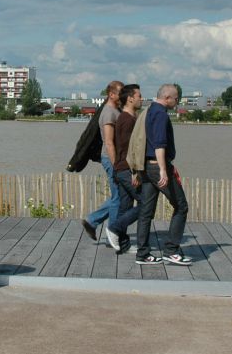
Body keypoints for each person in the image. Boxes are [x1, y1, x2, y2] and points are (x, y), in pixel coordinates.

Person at [134, 84, 192, 265]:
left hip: (146, 166)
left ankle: (142, 254)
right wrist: (163, 170)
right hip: (156, 167)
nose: (177, 102)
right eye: (176, 99)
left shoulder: (149, 110)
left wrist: (137, 169)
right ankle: (171, 250)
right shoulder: (160, 114)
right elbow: (159, 144)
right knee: (181, 206)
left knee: (146, 211)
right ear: (167, 97)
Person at [80, 81, 123, 242]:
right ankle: (113, 233)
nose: (123, 97)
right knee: (118, 197)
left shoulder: (115, 110)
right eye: (120, 93)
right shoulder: (108, 113)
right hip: (111, 158)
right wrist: (116, 165)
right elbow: (109, 142)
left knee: (118, 196)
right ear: (111, 94)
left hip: (115, 158)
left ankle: (92, 221)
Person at [103, 83, 144, 254]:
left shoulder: (128, 117)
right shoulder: (127, 120)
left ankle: (123, 244)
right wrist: (135, 171)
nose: (142, 99)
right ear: (130, 98)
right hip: (127, 170)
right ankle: (114, 228)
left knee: (125, 206)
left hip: (122, 169)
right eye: (139, 96)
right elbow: (129, 149)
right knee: (145, 203)